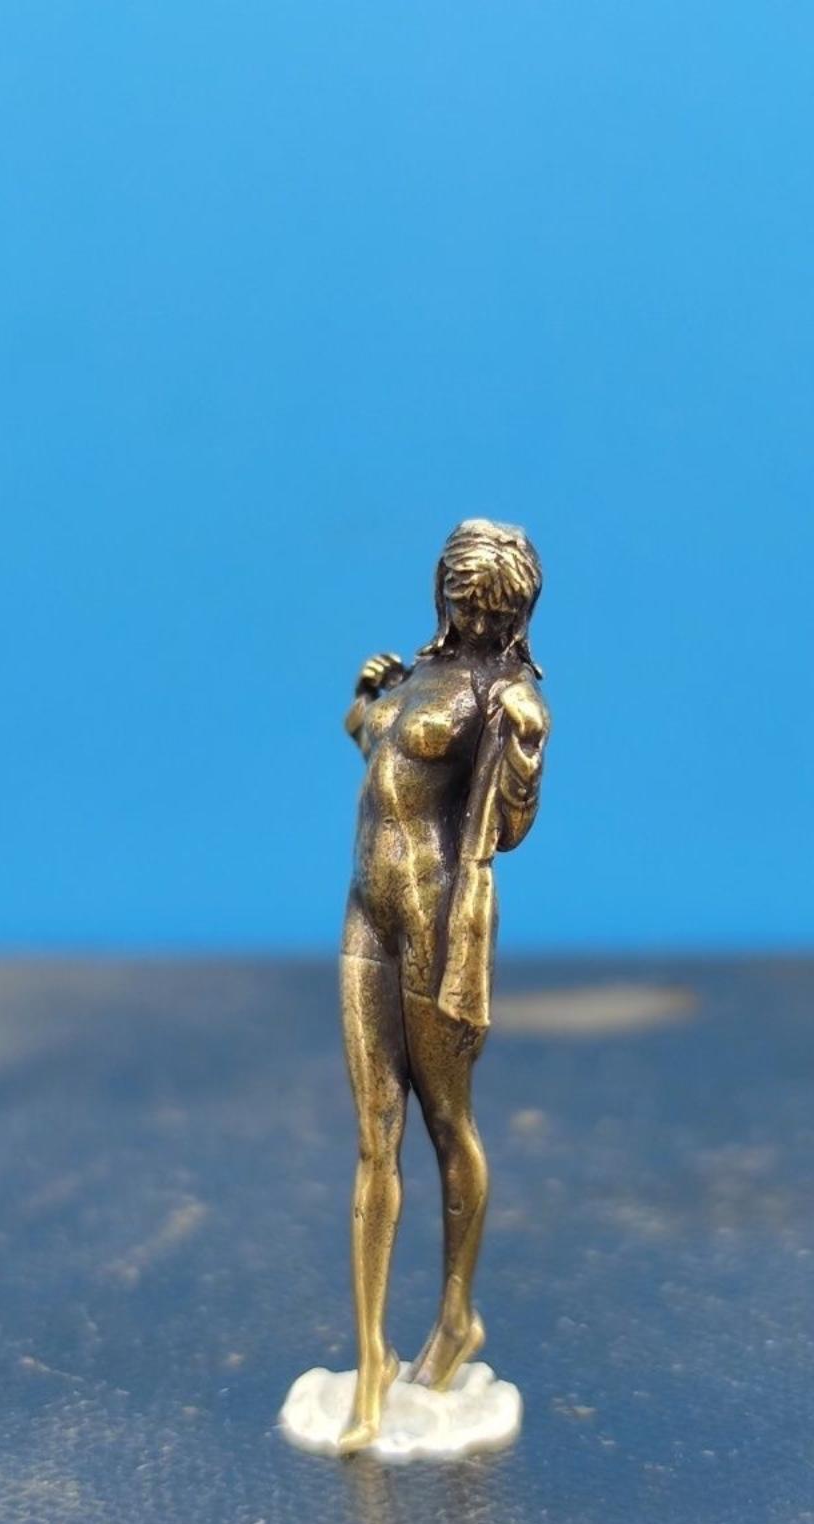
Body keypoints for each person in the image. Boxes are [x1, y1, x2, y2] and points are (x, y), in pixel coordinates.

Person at [336, 518, 550, 1453]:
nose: (473, 620)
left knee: (446, 1124)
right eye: (462, 601)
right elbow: (379, 757)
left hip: (433, 923)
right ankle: (371, 1363)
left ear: (516, 612)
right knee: (372, 1137)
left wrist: (525, 754)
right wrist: (365, 701)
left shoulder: (506, 696)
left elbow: (509, 828)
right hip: (366, 915)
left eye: (490, 610)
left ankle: (457, 1314)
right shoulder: (421, 674)